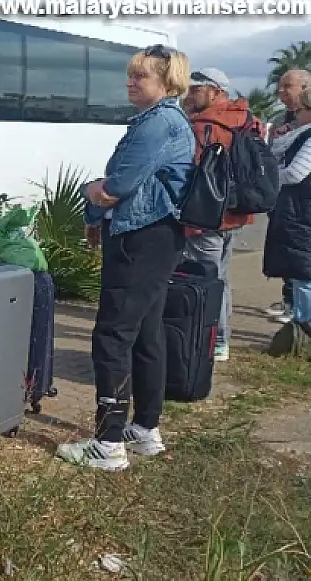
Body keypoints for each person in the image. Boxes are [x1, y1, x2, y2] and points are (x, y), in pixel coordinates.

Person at [56, 44, 194, 471]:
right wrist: (100, 208)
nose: (130, 82)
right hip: (157, 236)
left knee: (113, 335)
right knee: (147, 333)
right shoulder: (170, 121)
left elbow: (117, 187)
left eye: (141, 77)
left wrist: (92, 191)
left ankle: (108, 442)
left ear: (167, 82)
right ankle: (144, 429)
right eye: (131, 75)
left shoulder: (158, 124)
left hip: (140, 237)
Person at [180, 68, 265, 361]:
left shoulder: (205, 124)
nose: (189, 94)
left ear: (215, 91)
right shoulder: (246, 118)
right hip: (237, 212)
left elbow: (191, 172)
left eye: (196, 89)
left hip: (207, 215)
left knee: (206, 278)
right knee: (222, 277)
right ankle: (221, 340)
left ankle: (212, 340)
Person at [263, 86, 311, 353]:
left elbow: (296, 174)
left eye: (300, 110)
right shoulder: (300, 135)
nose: (296, 116)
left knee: (304, 275)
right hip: (300, 212)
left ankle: (304, 333)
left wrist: (270, 176)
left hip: (303, 213)